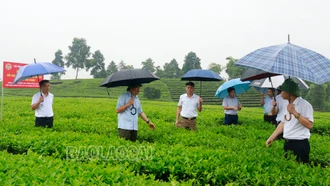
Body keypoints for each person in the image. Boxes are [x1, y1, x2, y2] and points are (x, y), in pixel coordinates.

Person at [266, 79, 314, 163]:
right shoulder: (287, 104)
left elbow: (310, 125)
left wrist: (295, 113)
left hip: (300, 144)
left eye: (283, 90)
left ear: (289, 93)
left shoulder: (305, 105)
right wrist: (272, 137)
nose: (281, 93)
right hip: (288, 142)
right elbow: (283, 123)